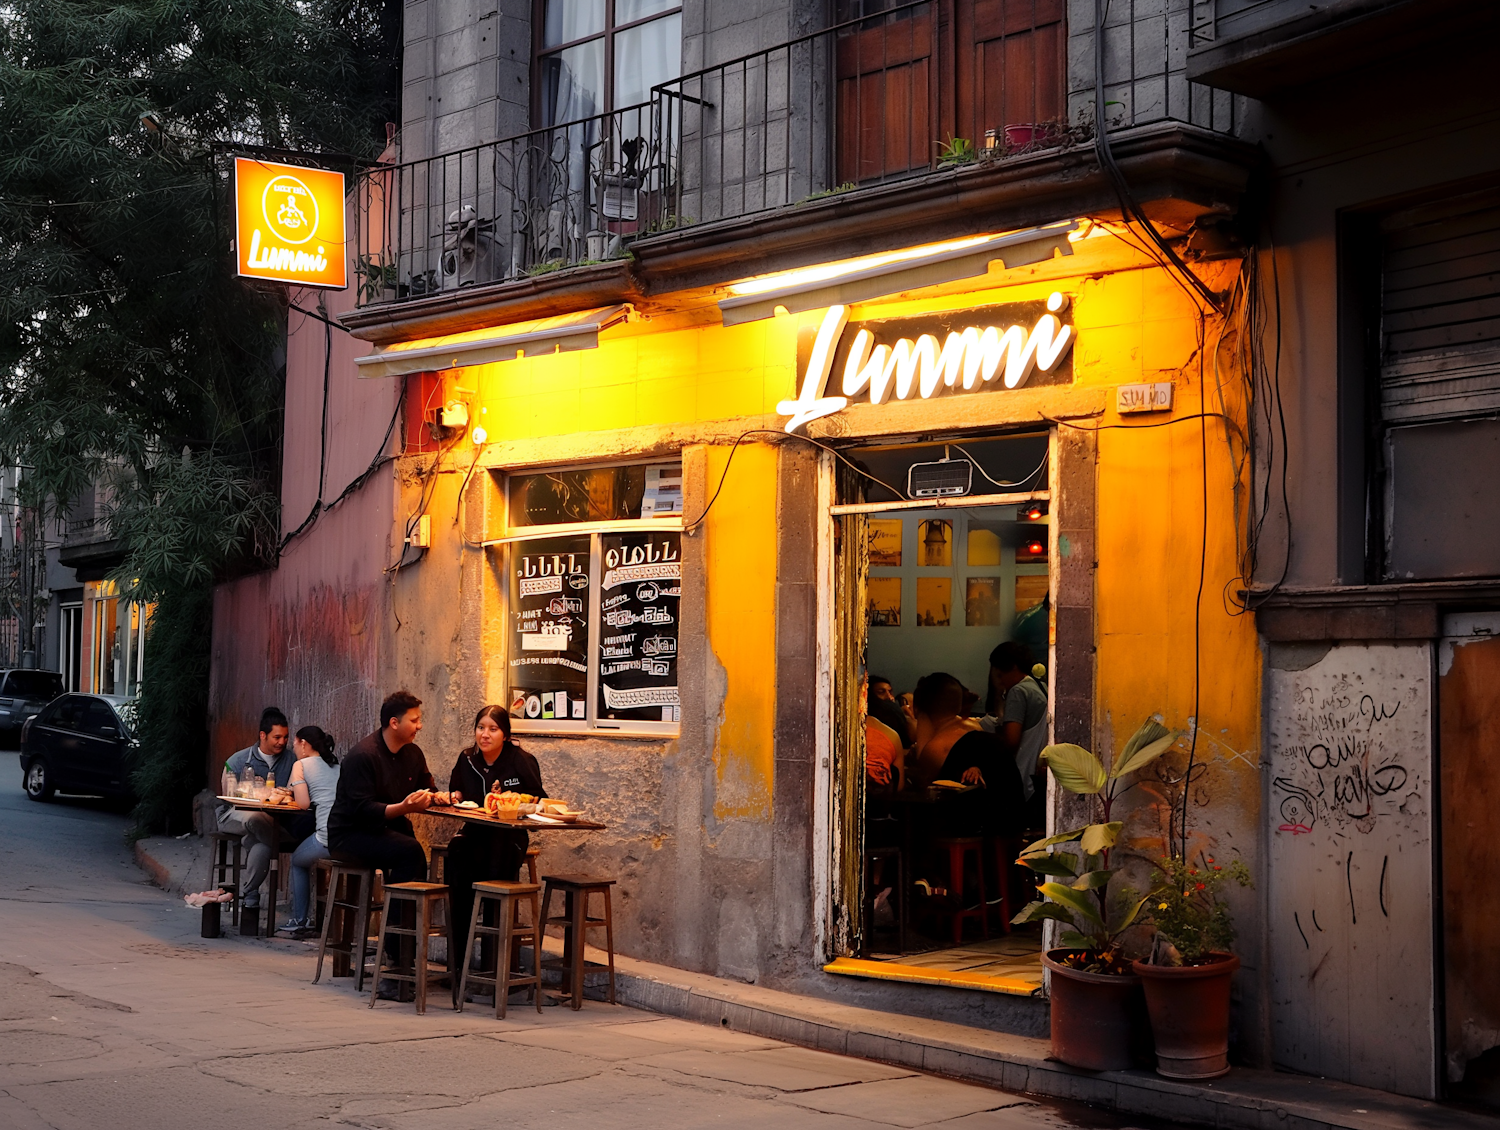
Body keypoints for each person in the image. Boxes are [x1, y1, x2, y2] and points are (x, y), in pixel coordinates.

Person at [444, 705, 546, 985]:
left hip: (508, 838)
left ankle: (494, 971)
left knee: (494, 876)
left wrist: (515, 800)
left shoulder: (520, 760)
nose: (484, 735)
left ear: (505, 734)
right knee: (457, 855)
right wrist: (453, 797)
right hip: (474, 834)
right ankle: (458, 968)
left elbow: (539, 800)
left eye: (493, 729)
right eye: (480, 727)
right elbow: (457, 793)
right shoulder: (466, 759)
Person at [327, 690, 435, 894]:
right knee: (409, 851)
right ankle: (395, 923)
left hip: (387, 829)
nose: (419, 726)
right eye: (414, 721)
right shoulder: (363, 756)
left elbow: (427, 787)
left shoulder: (413, 753)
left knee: (413, 849)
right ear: (394, 723)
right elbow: (363, 810)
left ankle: (407, 921)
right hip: (350, 834)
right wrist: (404, 807)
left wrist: (438, 796)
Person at [910, 672, 1025, 835]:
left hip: (974, 826)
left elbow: (925, 782)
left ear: (917, 707)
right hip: (1012, 819)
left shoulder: (937, 747)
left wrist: (921, 718)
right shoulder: (976, 728)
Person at [216, 708, 294, 931]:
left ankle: (249, 897)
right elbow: (228, 799)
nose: (282, 742)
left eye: (285, 737)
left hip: (272, 821)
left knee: (258, 843)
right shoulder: (239, 761)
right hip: (234, 815)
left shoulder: (292, 761)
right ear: (263, 735)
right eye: (277, 737)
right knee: (255, 817)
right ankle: (281, 842)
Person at [279, 725, 340, 937]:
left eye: (294, 743)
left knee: (297, 860)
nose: (293, 748)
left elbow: (303, 804)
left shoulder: (301, 765)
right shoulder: (336, 765)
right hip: (348, 837)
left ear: (303, 743)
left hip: (327, 837)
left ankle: (300, 920)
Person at [981, 641, 1049, 802]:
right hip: (1038, 775)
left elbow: (1011, 741)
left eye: (1000, 675)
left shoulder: (1018, 692)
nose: (1000, 681)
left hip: (1023, 774)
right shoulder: (1041, 686)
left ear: (1013, 667)